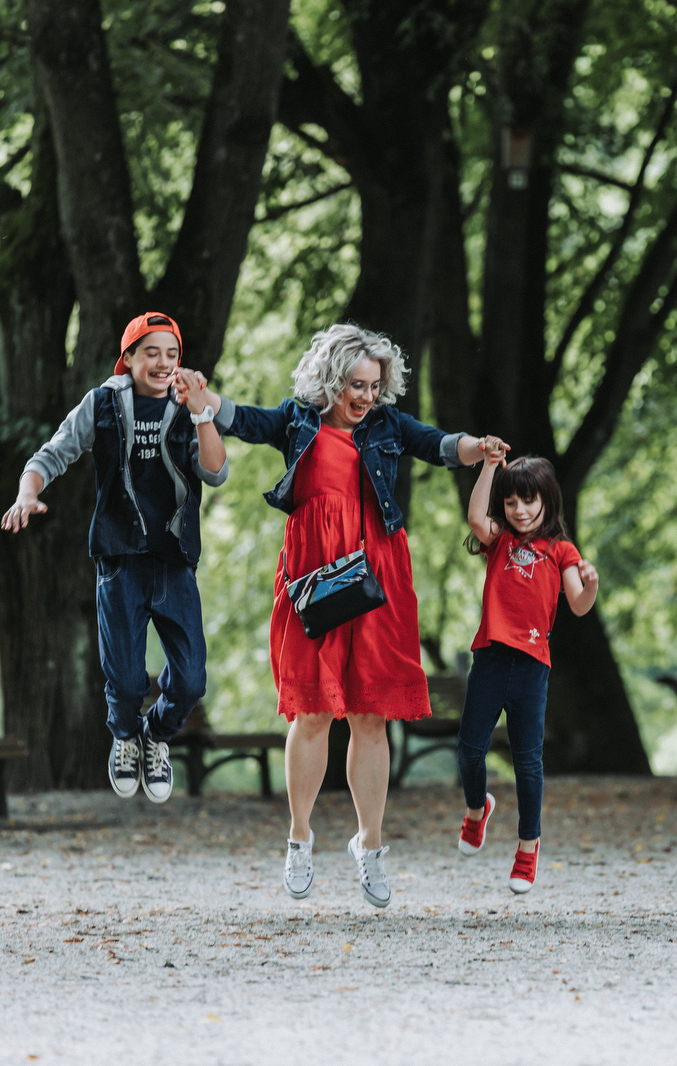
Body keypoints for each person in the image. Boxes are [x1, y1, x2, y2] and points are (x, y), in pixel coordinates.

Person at [180, 323, 502, 907]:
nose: (367, 397)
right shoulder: (296, 420)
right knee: (312, 713)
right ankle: (300, 837)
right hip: (316, 575)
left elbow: (438, 444)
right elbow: (242, 420)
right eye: (357, 385)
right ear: (331, 380)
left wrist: (477, 447)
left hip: (377, 573)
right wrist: (204, 399)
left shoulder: (387, 425)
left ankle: (370, 845)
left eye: (375, 386)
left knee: (371, 716)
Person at [1, 313, 228, 803]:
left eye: (172, 354)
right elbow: (52, 453)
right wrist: (27, 494)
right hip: (120, 558)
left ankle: (156, 736)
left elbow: (215, 473)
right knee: (125, 681)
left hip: (174, 561)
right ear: (128, 358)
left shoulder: (189, 403)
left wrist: (203, 412)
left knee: (191, 682)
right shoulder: (102, 403)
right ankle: (126, 735)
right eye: (152, 353)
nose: (163, 363)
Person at [456, 455, 598, 894]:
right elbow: (476, 517)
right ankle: (477, 811)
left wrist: (591, 584)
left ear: (547, 500)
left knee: (527, 763)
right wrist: (488, 465)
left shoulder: (561, 551)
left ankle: (527, 847)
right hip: (491, 659)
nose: (520, 510)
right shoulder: (499, 540)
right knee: (469, 752)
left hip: (532, 668)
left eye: (529, 501)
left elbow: (578, 604)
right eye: (511, 502)